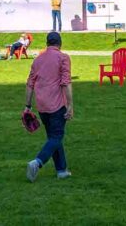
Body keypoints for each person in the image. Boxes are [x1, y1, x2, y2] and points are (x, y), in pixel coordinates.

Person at [24, 32, 73, 182]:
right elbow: (65, 82)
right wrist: (70, 105)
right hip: (57, 104)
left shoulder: (38, 60)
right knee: (56, 137)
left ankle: (61, 170)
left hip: (42, 105)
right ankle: (37, 162)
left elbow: (30, 84)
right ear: (60, 43)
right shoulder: (63, 57)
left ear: (47, 43)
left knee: (53, 137)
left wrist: (27, 106)